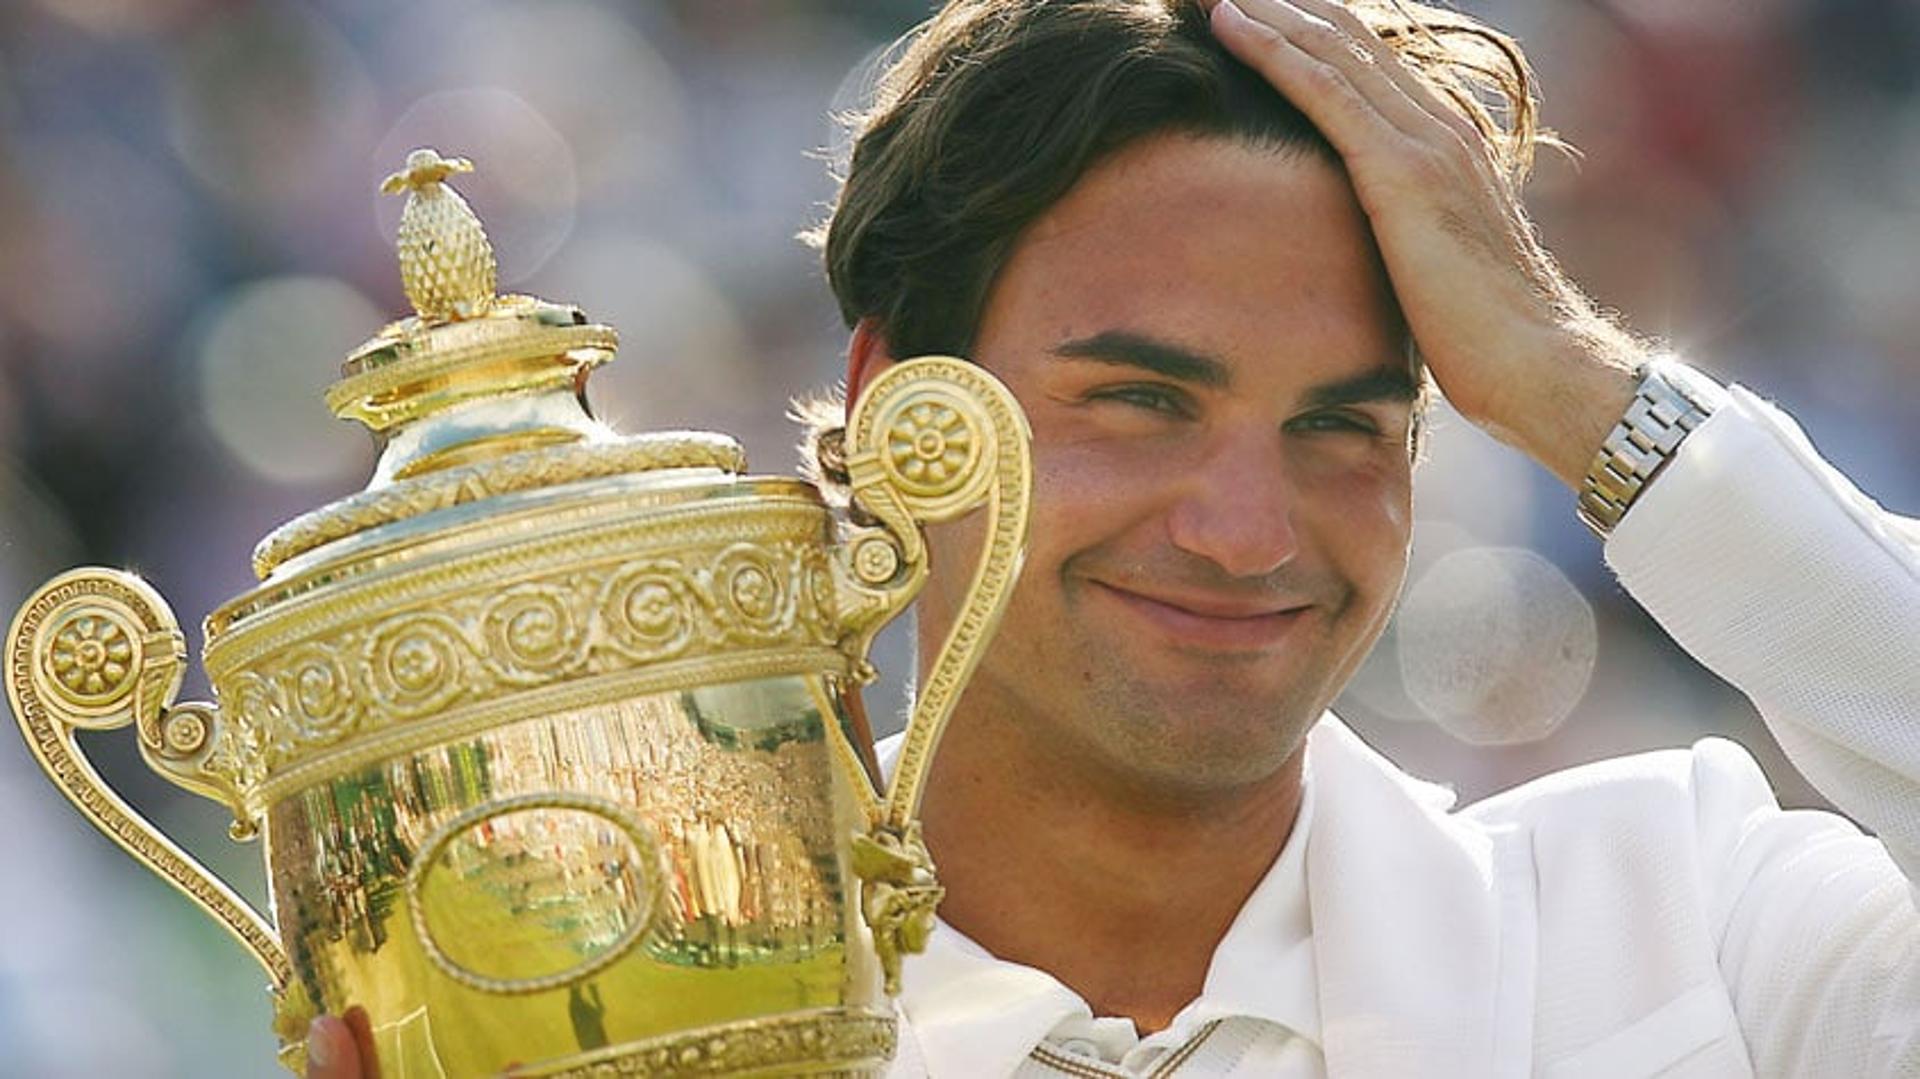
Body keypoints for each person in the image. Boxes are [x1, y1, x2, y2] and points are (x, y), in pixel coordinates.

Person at [308, 0, 1920, 1075]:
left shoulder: (1690, 917)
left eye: (1342, 424)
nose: (1244, 530)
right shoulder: (625, 1029)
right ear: (887, 404)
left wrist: (1583, 391)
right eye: (1140, 403)